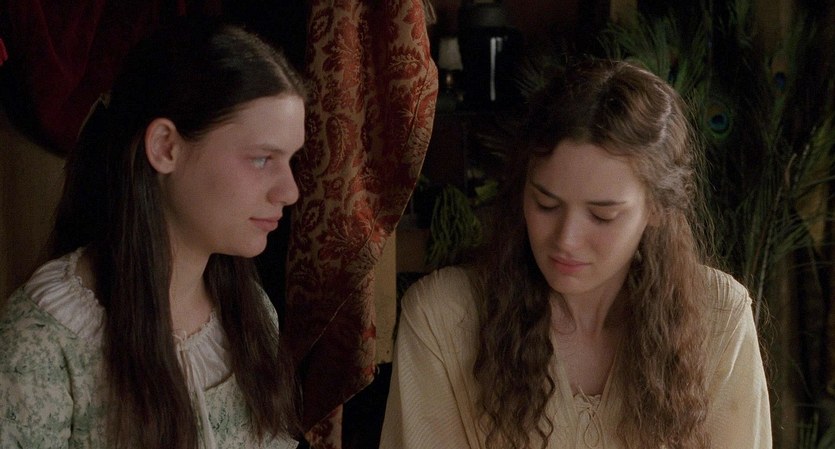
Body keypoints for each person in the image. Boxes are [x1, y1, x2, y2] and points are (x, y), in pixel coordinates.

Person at [380, 58, 772, 449]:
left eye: (602, 216)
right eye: (546, 204)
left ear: (657, 209)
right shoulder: (442, 318)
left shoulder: (719, 319)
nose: (566, 239)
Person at [0, 17, 306, 449]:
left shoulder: (250, 313)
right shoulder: (44, 340)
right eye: (262, 159)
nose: (289, 191)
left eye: (290, 160)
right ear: (165, 147)